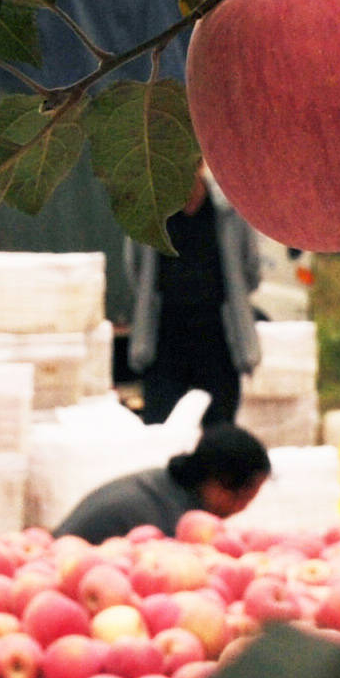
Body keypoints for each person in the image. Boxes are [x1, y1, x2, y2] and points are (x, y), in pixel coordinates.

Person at [125, 167, 262, 427]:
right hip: (166, 336)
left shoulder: (229, 210)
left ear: (200, 164)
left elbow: (251, 270)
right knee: (161, 427)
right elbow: (136, 269)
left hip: (217, 336)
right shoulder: (150, 211)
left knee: (219, 429)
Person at [57, 424, 273, 539]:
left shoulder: (161, 482)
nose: (242, 508)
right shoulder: (171, 523)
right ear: (221, 487)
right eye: (247, 497)